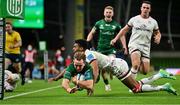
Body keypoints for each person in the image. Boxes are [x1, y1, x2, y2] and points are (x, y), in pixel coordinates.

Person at [73, 40, 177, 95]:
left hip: (118, 68)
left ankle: (164, 87)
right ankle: (161, 74)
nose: (73, 48)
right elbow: (94, 69)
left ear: (81, 48)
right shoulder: (85, 55)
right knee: (137, 85)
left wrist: (91, 85)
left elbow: (95, 69)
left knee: (135, 89)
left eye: (75, 46)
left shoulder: (88, 54)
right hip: (117, 65)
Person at [111, 1, 161, 79]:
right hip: (135, 44)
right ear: (141, 8)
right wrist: (115, 39)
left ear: (150, 10)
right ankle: (132, 86)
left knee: (145, 71)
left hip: (146, 47)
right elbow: (124, 30)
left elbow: (158, 33)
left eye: (147, 8)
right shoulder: (134, 19)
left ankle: (139, 62)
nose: (145, 9)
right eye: (144, 7)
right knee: (135, 65)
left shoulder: (153, 22)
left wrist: (158, 37)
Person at [86, 6, 127, 91]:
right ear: (104, 13)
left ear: (113, 14)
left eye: (110, 12)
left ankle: (112, 72)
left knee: (111, 63)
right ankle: (107, 84)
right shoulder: (99, 23)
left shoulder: (116, 25)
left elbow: (122, 35)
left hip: (110, 50)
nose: (108, 14)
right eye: (107, 12)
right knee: (103, 69)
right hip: (100, 50)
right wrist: (87, 43)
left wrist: (124, 47)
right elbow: (91, 33)